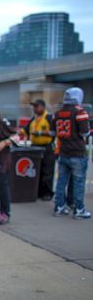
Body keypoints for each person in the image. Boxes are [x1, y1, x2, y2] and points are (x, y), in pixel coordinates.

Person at [52, 87, 91, 219]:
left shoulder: (57, 113)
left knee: (61, 181)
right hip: (77, 152)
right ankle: (79, 209)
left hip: (63, 152)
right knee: (79, 182)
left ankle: (59, 207)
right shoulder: (80, 112)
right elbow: (85, 132)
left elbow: (53, 132)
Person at [20, 99, 55, 201]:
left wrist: (41, 133)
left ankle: (47, 193)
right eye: (34, 106)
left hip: (47, 147)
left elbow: (54, 132)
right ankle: (38, 192)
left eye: (37, 106)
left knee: (47, 171)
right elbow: (24, 130)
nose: (35, 108)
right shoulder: (34, 119)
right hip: (34, 147)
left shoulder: (49, 118)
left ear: (43, 107)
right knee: (37, 171)